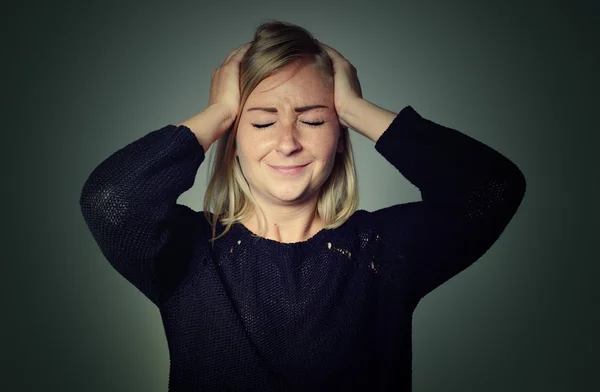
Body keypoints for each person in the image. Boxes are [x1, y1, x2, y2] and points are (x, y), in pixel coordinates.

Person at [79, 20, 526, 392]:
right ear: (234, 137)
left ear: (339, 135)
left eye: (313, 119)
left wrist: (356, 107)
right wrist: (217, 112)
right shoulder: (186, 251)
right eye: (261, 120)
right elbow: (110, 199)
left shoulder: (384, 251)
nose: (288, 142)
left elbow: (492, 188)